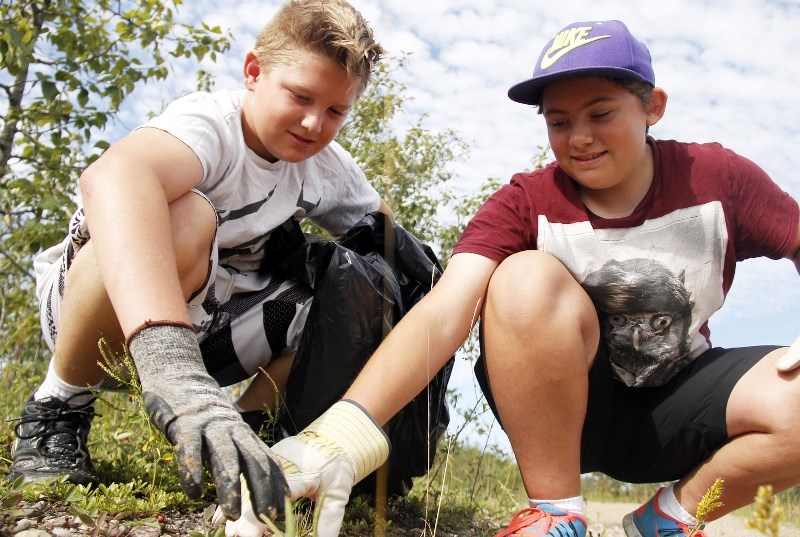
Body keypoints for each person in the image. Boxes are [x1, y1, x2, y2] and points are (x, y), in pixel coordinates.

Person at [221, 18, 800, 537]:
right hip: (568, 414)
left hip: (678, 407)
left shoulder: (717, 176)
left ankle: (668, 522)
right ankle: (553, 515)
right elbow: (448, 306)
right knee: (521, 277)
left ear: (652, 107)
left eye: (601, 114)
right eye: (559, 121)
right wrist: (342, 433)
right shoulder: (526, 203)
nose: (580, 137)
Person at [8, 0, 391, 525]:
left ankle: (241, 443)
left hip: (208, 331)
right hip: (99, 316)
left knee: (343, 294)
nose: (312, 123)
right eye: (300, 96)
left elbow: (394, 243)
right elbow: (113, 178)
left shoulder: (326, 169)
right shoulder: (211, 123)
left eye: (335, 111)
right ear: (254, 72)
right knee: (184, 214)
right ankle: (57, 407)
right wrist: (173, 367)